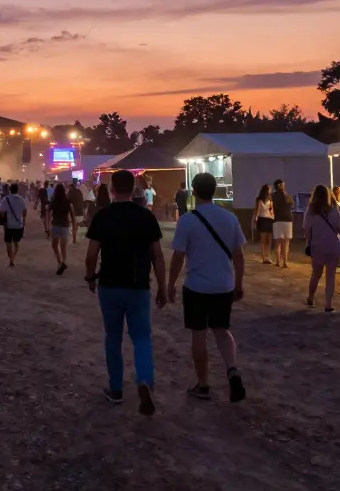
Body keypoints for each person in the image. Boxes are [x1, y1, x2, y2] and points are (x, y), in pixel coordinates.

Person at [84, 169, 167, 415]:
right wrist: (162, 285)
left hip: (110, 285)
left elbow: (91, 255)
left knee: (113, 336)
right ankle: (144, 380)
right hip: (138, 285)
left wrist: (90, 278)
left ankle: (116, 389)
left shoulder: (103, 216)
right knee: (141, 337)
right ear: (134, 190)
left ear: (112, 190)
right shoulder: (145, 217)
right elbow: (157, 256)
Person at [169, 172, 246, 403]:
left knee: (199, 334)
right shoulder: (229, 218)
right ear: (215, 191)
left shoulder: (188, 220)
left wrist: (170, 284)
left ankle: (203, 385)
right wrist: (239, 283)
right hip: (224, 284)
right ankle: (232, 369)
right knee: (222, 330)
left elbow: (178, 257)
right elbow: (239, 256)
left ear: (194, 191)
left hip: (197, 286)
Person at [303, 185, 340, 312]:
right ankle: (328, 304)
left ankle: (310, 297)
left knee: (316, 274)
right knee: (330, 275)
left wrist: (309, 241)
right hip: (332, 246)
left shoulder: (310, 211)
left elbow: (307, 230)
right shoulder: (334, 210)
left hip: (317, 245)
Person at [0, 182, 29, 266]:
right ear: (17, 190)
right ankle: (13, 258)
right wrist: (24, 222)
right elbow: (24, 212)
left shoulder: (5, 199)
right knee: (16, 243)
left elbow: (1, 212)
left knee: (8, 243)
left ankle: (11, 259)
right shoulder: (22, 200)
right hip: (18, 225)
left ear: (10, 190)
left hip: (8, 225)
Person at [48, 183, 74, 275]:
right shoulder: (67, 201)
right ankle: (64, 262)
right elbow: (72, 214)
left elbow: (48, 212)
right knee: (63, 247)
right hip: (65, 225)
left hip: (55, 225)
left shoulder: (53, 200)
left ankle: (59, 261)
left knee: (54, 245)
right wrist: (74, 227)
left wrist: (47, 224)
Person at [270, 180, 294, 269]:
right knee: (286, 243)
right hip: (287, 219)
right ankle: (285, 262)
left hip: (277, 219)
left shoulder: (273, 196)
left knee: (278, 242)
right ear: (280, 185)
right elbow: (292, 203)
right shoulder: (286, 195)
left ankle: (277, 261)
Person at [252, 184, 274, 265]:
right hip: (262, 219)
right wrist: (255, 220)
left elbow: (272, 210)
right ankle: (264, 257)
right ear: (266, 190)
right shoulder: (259, 200)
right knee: (263, 239)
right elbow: (257, 210)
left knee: (268, 240)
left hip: (269, 219)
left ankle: (268, 257)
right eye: (269, 189)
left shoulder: (270, 200)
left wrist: (273, 216)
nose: (270, 191)